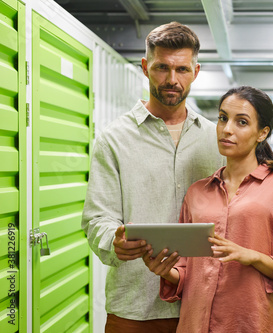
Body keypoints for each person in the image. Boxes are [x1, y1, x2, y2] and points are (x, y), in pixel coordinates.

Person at [81, 22, 224, 332]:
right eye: (162, 68)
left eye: (182, 69)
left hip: (205, 306)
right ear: (145, 67)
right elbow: (96, 220)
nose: (172, 79)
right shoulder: (114, 139)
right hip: (134, 309)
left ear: (196, 72)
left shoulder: (216, 141)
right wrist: (113, 241)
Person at [143, 86, 273, 332]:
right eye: (223, 118)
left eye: (241, 122)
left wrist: (253, 256)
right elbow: (188, 270)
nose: (226, 129)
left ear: (262, 133)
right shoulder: (197, 192)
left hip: (250, 321)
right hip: (196, 323)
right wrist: (167, 272)